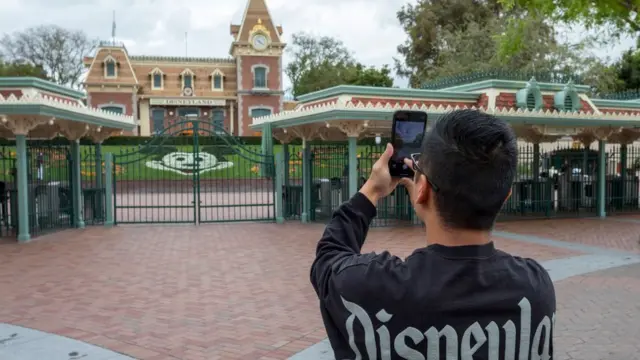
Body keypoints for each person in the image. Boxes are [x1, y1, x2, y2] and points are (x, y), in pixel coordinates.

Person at [310, 109, 555, 359]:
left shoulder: (372, 286)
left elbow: (328, 258)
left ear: (423, 188)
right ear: (505, 198)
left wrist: (371, 191)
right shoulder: (535, 288)